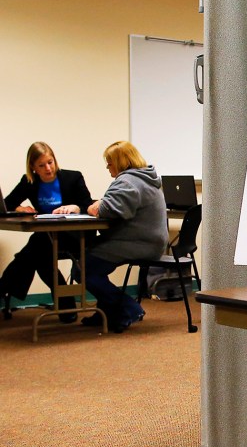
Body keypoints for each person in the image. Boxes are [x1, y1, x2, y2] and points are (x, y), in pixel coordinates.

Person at [0, 142, 94, 322]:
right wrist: (20, 208)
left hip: (75, 236)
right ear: (33, 168)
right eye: (41, 165)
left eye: (50, 162)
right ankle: (67, 308)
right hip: (47, 237)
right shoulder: (29, 181)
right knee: (40, 256)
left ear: (55, 160)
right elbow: (7, 203)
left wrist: (75, 207)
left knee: (35, 247)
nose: (48, 168)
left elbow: (88, 206)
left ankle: (3, 287)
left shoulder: (72, 178)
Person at [81, 141, 168, 333]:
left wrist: (95, 205)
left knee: (83, 266)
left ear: (120, 162)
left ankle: (128, 308)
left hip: (138, 243)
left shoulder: (128, 181)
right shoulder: (145, 178)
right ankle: (107, 311)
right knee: (89, 258)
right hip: (148, 242)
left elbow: (106, 209)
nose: (107, 167)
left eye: (110, 162)